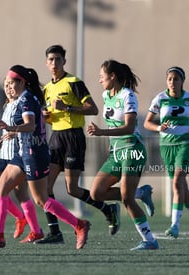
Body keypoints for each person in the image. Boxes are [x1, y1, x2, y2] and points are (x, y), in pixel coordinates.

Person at [38, 45, 153, 244]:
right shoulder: (49, 89)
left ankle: (149, 239)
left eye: (58, 59)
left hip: (84, 140)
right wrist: (47, 117)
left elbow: (94, 110)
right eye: (51, 59)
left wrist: (68, 108)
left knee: (79, 190)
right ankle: (55, 232)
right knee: (60, 189)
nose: (54, 63)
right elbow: (55, 116)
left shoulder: (75, 82)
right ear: (46, 63)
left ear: (64, 61)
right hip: (59, 138)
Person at [0, 65, 91, 250]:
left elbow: (30, 125)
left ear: (22, 82)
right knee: (0, 189)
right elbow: (28, 128)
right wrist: (11, 135)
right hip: (23, 152)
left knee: (41, 200)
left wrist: (12, 129)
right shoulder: (23, 98)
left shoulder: (27, 99)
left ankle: (79, 224)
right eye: (7, 83)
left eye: (12, 83)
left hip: (34, 154)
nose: (9, 87)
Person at [87, 59, 158, 250]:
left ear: (113, 76)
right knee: (96, 193)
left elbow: (129, 127)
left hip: (131, 149)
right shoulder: (105, 95)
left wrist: (102, 132)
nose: (99, 80)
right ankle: (141, 193)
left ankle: (149, 240)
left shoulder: (128, 95)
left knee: (127, 199)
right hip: (116, 152)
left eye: (102, 76)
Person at [143, 66, 189, 239]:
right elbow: (147, 123)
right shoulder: (160, 98)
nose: (172, 82)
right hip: (166, 147)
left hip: (185, 144)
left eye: (176, 79)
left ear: (182, 81)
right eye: (169, 79)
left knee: (177, 181)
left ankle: (175, 225)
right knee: (182, 187)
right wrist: (158, 127)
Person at [0, 79, 29, 240]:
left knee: (21, 194)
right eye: (5, 86)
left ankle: (34, 229)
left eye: (10, 85)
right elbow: (8, 132)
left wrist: (14, 133)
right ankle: (20, 217)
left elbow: (27, 128)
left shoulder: (22, 104)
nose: (8, 88)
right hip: (3, 154)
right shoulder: (6, 106)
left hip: (16, 155)